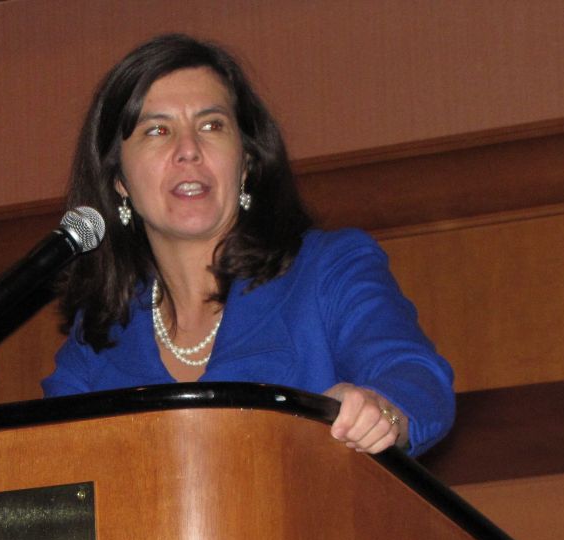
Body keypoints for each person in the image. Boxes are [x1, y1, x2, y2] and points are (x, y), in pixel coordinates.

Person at [43, 34, 454, 456]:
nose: (188, 150)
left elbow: (416, 378)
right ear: (119, 181)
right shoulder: (98, 335)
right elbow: (46, 461)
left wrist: (381, 410)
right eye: (158, 130)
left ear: (246, 163)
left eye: (211, 125)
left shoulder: (327, 269)